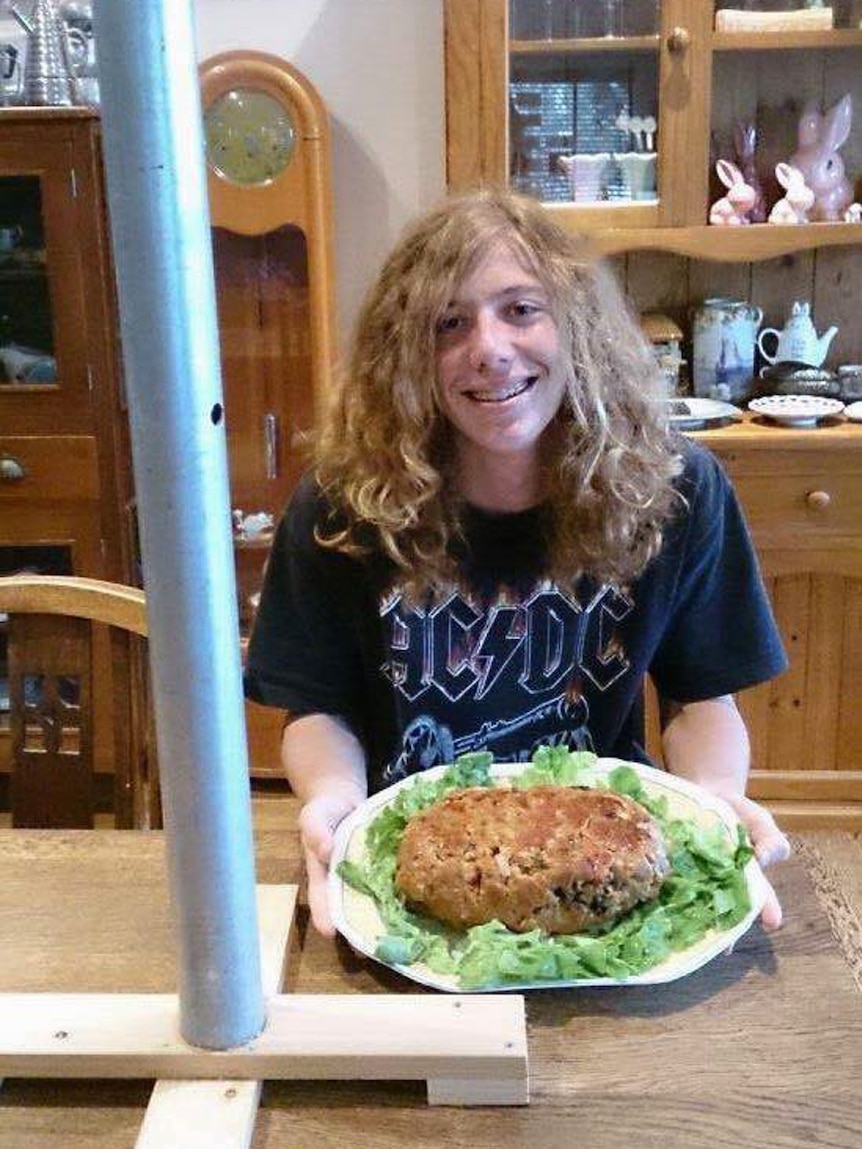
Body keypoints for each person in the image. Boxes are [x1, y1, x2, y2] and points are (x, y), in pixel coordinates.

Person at [245, 188, 791, 938]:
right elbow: (317, 707)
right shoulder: (346, 507)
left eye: (521, 309)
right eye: (449, 322)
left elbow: (701, 701)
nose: (490, 348)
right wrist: (332, 798)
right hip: (410, 891)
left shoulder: (677, 490)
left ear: (577, 326)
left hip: (607, 880)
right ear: (405, 354)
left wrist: (717, 798)